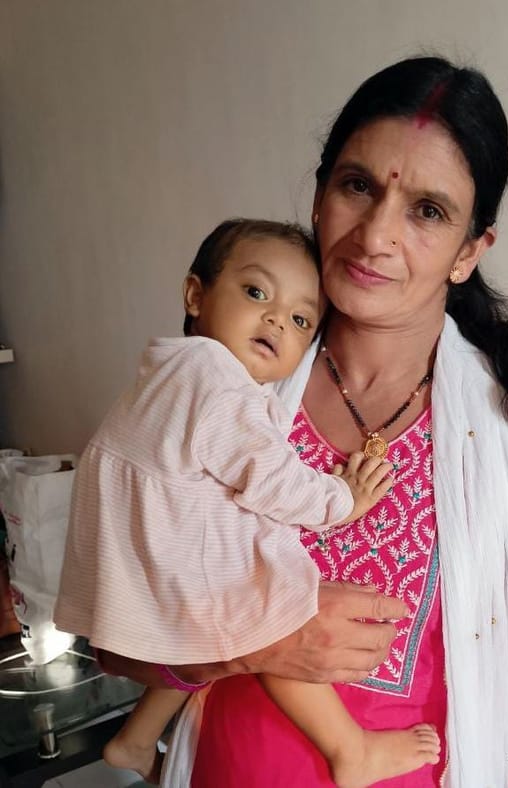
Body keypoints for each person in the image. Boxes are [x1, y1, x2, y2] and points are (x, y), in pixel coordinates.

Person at [89, 56, 508, 787]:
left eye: (428, 211)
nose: (377, 234)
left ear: (470, 251)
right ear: (320, 197)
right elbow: (118, 632)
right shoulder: (218, 390)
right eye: (358, 186)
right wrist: (253, 646)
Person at [54, 218, 442, 786]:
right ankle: (349, 748)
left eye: (301, 319)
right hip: (167, 560)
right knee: (278, 609)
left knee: (216, 614)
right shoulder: (217, 381)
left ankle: (136, 737)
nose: (276, 320)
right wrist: (344, 498)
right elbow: (272, 479)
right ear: (196, 295)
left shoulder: (168, 368)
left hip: (144, 564)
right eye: (257, 292)